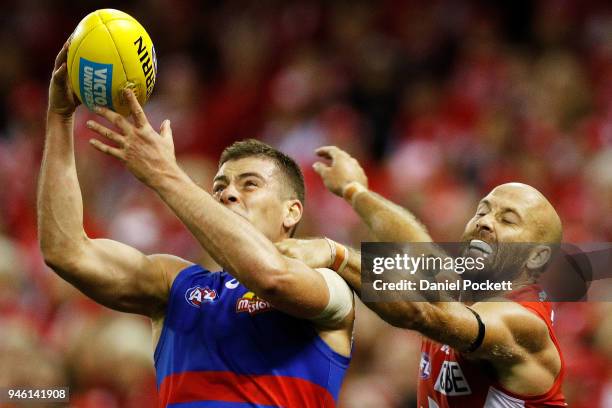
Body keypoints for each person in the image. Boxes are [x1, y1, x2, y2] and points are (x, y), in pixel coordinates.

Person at [39, 41, 354, 407]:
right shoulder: (174, 284)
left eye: (249, 184)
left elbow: (272, 277)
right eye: (219, 187)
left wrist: (166, 176)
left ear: (292, 212)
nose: (228, 194)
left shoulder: (331, 284)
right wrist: (59, 118)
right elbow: (66, 251)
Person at [276, 146, 567, 407]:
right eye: (481, 212)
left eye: (507, 220)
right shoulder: (465, 287)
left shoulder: (523, 322)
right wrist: (354, 190)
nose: (485, 223)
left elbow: (421, 313)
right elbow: (416, 248)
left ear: (537, 256)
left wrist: (337, 255)